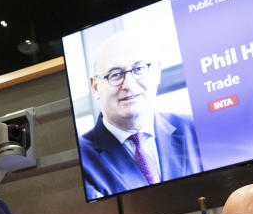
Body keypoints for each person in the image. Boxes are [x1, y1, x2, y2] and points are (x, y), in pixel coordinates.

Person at [78, 31, 202, 199]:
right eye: (115, 75)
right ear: (95, 87)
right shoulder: (80, 160)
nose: (128, 84)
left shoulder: (195, 129)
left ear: (156, 72)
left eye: (139, 69)